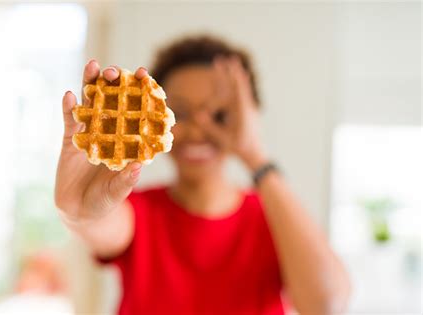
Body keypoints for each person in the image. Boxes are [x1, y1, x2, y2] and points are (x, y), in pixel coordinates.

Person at [55, 35, 350, 315]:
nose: (198, 130)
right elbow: (101, 221)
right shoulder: (140, 210)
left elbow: (326, 305)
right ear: (155, 117)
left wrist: (254, 155)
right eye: (180, 113)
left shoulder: (275, 217)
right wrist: (78, 213)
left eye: (220, 115)